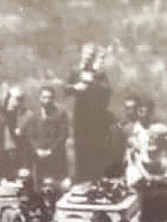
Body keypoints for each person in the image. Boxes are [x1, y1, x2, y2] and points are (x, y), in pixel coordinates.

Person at [65, 43, 115, 181]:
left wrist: (94, 82)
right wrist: (75, 87)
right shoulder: (75, 71)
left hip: (95, 118)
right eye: (86, 53)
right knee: (80, 147)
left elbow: (107, 91)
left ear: (94, 57)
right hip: (80, 117)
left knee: (95, 147)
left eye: (91, 54)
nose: (88, 56)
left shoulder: (99, 73)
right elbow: (65, 89)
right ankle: (82, 179)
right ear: (82, 53)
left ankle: (95, 179)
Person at [20, 86, 70, 188]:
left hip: (56, 158)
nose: (47, 101)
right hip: (38, 158)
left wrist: (50, 151)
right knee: (39, 187)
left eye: (49, 97)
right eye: (44, 97)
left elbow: (63, 135)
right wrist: (37, 150)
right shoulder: (34, 115)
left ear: (53, 99)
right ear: (39, 98)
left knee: (55, 187)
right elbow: (30, 136)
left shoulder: (61, 114)